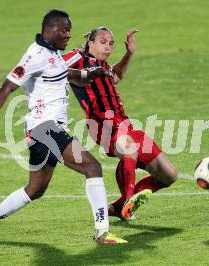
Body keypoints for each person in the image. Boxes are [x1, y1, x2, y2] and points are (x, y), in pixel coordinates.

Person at [0, 11, 127, 244]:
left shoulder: (53, 54)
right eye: (64, 30)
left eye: (69, 30)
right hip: (45, 129)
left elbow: (64, 74)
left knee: (35, 189)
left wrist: (89, 73)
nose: (68, 35)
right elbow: (6, 87)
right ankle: (102, 232)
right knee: (92, 167)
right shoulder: (35, 55)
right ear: (49, 29)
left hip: (40, 131)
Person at [63, 26, 178, 220]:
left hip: (124, 125)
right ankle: (128, 201)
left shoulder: (104, 68)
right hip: (101, 125)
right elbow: (51, 66)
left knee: (169, 175)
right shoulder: (77, 58)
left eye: (111, 43)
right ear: (90, 43)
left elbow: (116, 76)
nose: (108, 47)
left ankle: (117, 208)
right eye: (103, 42)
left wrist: (129, 54)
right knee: (129, 148)